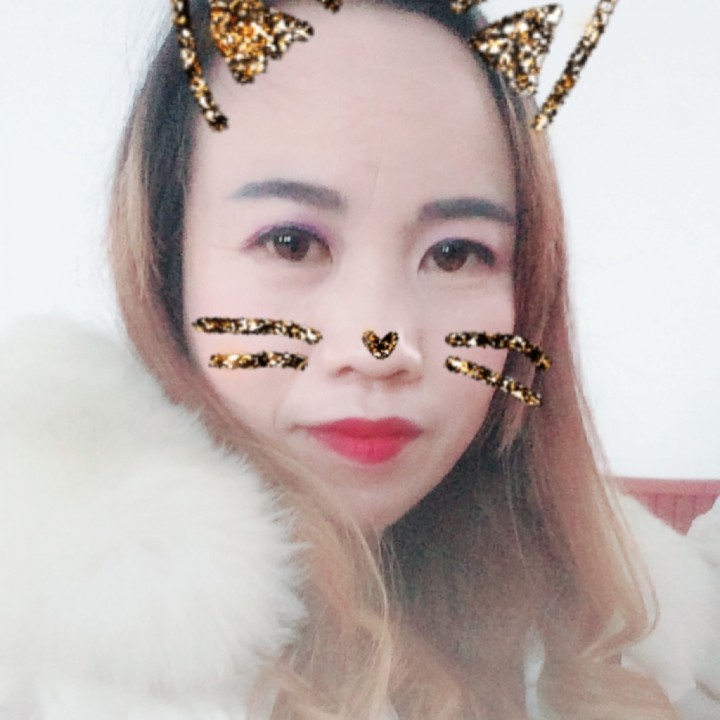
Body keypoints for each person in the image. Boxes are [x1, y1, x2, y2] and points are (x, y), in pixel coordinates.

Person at [0, 1, 718, 718]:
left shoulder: (629, 620)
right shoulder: (46, 660)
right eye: (291, 244)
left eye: (455, 253)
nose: (383, 345)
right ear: (166, 267)